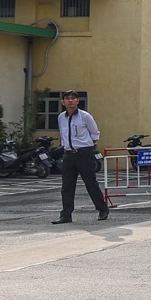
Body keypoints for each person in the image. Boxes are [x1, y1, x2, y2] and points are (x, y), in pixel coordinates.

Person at [52, 91, 108, 223]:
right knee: (67, 186)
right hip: (68, 154)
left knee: (90, 183)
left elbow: (95, 133)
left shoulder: (85, 116)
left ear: (77, 101)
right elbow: (63, 134)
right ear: (63, 102)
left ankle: (102, 209)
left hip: (84, 153)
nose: (70, 101)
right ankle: (66, 215)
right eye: (67, 98)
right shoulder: (61, 117)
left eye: (73, 98)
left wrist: (88, 147)